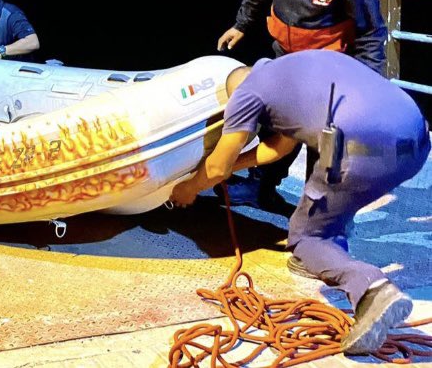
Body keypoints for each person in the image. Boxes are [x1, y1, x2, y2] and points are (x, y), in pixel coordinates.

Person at [170, 51, 429, 354]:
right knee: (339, 198)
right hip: (416, 141)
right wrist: (233, 165)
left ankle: (371, 289)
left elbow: (216, 168)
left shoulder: (245, 94)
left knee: (305, 236)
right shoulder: (291, 68)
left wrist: (188, 188)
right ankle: (330, 253)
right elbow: (276, 150)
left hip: (362, 150)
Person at [216, 0, 387, 210]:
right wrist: (241, 24)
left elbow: (371, 32)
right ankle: (262, 188)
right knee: (277, 123)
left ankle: (318, 211)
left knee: (321, 140)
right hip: (287, 57)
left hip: (331, 68)